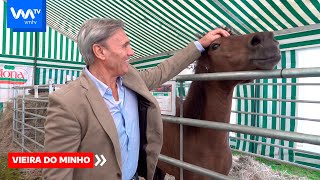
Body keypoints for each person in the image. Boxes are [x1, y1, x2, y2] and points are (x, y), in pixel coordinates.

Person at [42, 18, 230, 180]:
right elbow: (58, 172)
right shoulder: (67, 102)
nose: (131, 52)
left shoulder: (130, 78)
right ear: (100, 51)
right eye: (124, 45)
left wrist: (199, 45)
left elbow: (163, 70)